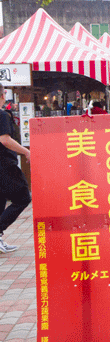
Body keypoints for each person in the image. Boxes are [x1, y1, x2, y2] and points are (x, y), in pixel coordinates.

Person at [0, 84, 31, 252]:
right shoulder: (2, 115)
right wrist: (26, 152)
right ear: (3, 95)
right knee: (23, 197)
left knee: (1, 201)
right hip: (4, 163)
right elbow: (4, 139)